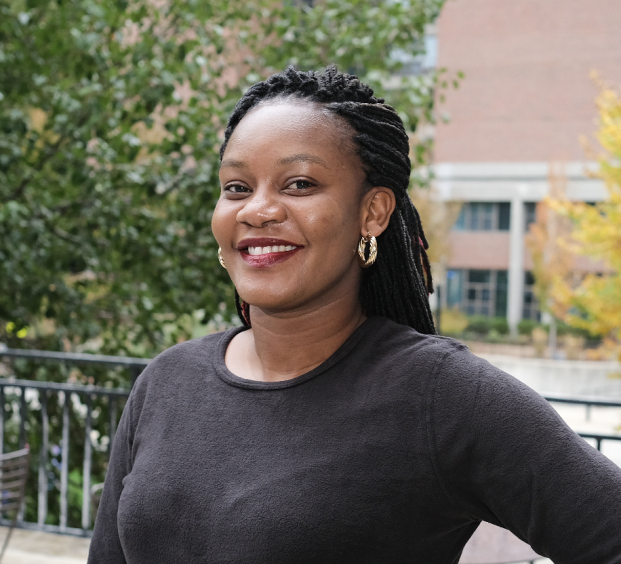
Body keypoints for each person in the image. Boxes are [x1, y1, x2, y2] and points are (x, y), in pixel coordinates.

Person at [88, 66, 621, 564]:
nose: (257, 210)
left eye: (299, 184)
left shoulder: (439, 396)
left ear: (374, 211)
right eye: (237, 187)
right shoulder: (166, 381)